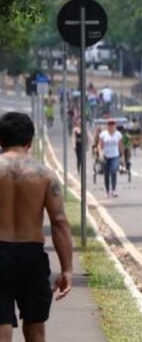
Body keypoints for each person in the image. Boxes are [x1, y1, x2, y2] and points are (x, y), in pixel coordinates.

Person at [0, 112, 73, 340]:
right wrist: (67, 269)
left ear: (0, 140)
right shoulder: (45, 176)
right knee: (35, 328)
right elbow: (59, 222)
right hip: (31, 256)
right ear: (30, 141)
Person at [98, 119, 123, 198]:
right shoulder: (103, 134)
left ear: (115, 125)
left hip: (115, 155)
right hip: (106, 156)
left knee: (113, 171)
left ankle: (114, 190)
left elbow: (120, 146)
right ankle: (107, 191)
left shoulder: (118, 134)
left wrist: (122, 157)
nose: (111, 126)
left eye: (112, 124)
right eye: (109, 124)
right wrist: (100, 154)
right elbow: (100, 145)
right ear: (107, 126)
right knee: (106, 174)